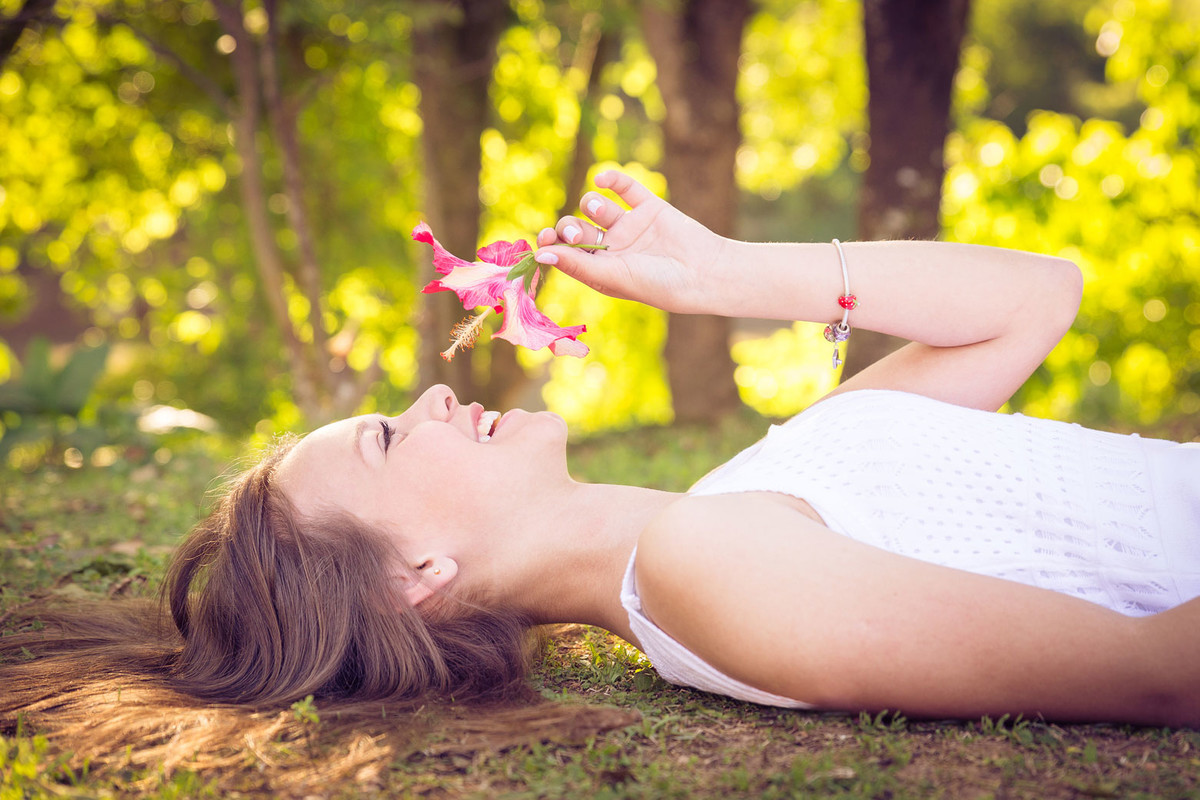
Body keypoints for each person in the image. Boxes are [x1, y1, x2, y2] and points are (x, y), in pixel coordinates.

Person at [3, 172, 1197, 733]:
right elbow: (1157, 670)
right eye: (382, 435)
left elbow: (1037, 297)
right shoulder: (701, 565)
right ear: (417, 571)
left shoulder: (740, 503)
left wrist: (727, 275)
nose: (428, 391)